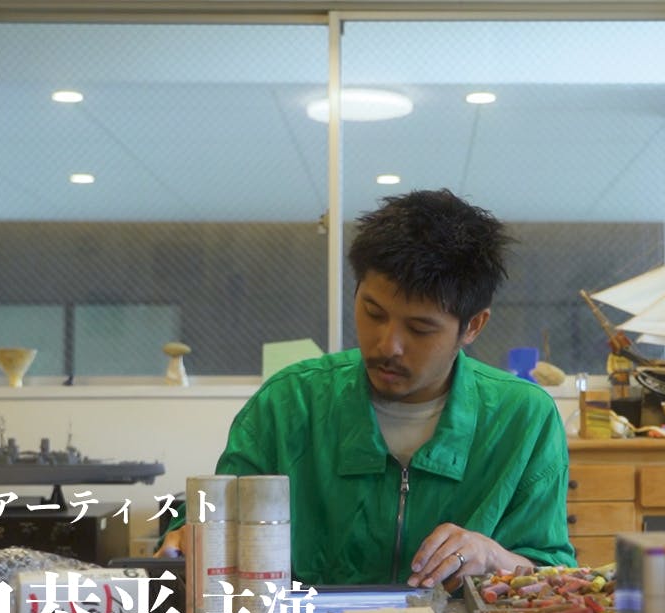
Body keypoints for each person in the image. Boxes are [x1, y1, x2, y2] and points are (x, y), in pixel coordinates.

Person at [159, 188, 575, 587]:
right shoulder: (290, 403)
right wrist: (187, 540)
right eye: (373, 313)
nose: (387, 346)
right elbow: (210, 522)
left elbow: (551, 572)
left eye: (420, 328)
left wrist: (494, 558)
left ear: (473, 326)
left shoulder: (523, 419)